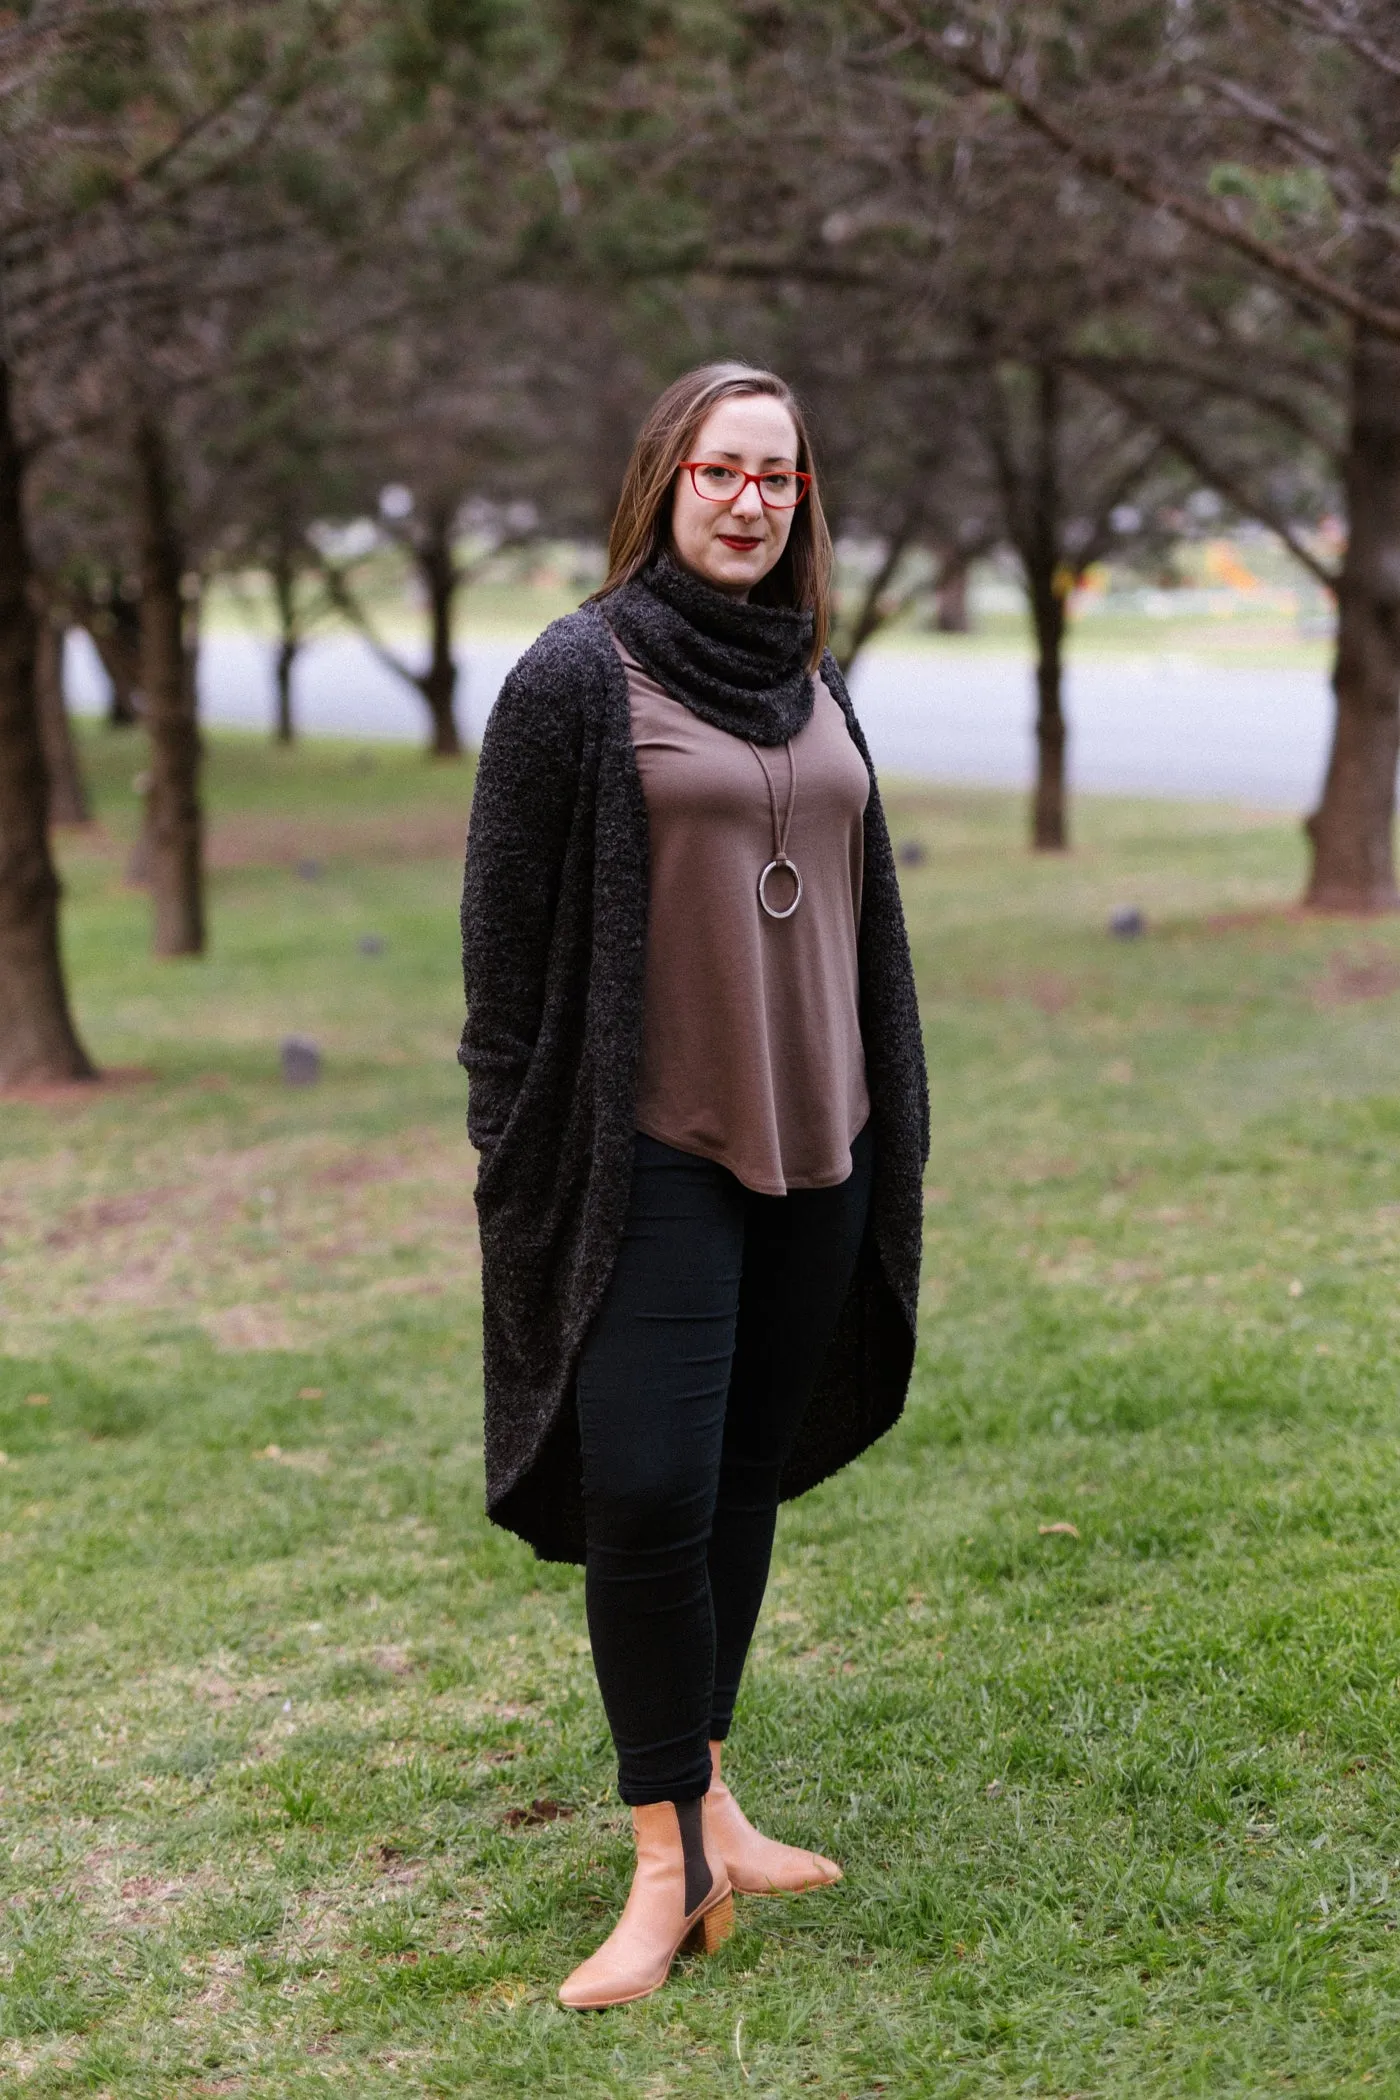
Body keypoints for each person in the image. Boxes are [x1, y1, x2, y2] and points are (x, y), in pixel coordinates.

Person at [460, 361, 928, 2009]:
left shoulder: (816, 674)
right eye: (724, 471)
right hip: (654, 1152)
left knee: (738, 1475)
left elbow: (865, 920)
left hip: (827, 1146)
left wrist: (890, 1124)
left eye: (780, 478)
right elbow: (504, 980)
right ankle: (663, 1860)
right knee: (646, 1491)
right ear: (665, 478)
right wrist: (517, 1170)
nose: (752, 501)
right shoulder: (576, 679)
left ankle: (712, 1796)